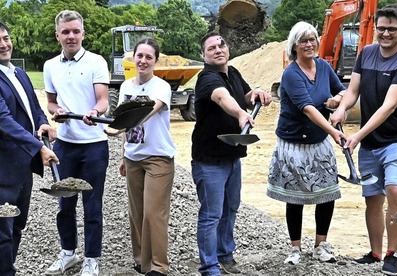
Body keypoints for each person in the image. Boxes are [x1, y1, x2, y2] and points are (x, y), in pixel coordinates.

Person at [330, 4, 397, 276]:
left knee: (395, 190)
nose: (384, 33)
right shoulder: (366, 53)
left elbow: (388, 106)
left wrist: (357, 135)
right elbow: (352, 90)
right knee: (372, 197)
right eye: (380, 28)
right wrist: (341, 108)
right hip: (372, 143)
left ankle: (392, 255)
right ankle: (374, 253)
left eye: (391, 29)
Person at [0, 20, 59, 275]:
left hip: (21, 164)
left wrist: (42, 125)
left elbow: (34, 108)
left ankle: (7, 268)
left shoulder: (19, 73)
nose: (3, 44)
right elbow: (3, 121)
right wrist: (38, 148)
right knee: (1, 231)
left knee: (17, 225)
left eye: (6, 38)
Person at [191, 32, 272, 276]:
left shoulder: (233, 72)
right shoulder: (206, 78)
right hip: (209, 160)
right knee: (211, 214)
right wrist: (239, 114)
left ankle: (225, 256)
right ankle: (209, 266)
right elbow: (222, 97)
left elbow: (244, 96)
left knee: (231, 208)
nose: (218, 49)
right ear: (203, 55)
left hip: (232, 155)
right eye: (211, 48)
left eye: (221, 45)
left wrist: (255, 93)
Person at [266, 21, 347, 266]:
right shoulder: (290, 74)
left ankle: (320, 245)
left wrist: (337, 103)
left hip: (318, 140)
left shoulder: (323, 67)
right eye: (304, 41)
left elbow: (342, 91)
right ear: (295, 46)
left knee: (326, 194)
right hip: (294, 143)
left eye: (312, 39)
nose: (309, 44)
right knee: (296, 195)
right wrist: (333, 131)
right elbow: (308, 108)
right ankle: (295, 248)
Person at [43, 10, 110, 276]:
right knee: (65, 205)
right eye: (66, 32)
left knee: (92, 205)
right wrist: (55, 110)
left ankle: (92, 259)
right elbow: (50, 102)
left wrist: (95, 112)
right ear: (58, 34)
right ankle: (68, 253)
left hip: (94, 144)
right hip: (65, 145)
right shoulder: (50, 66)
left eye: (76, 31)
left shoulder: (96, 61)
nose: (71, 36)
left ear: (83, 33)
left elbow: (103, 99)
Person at [110, 38, 175, 276]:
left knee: (153, 212)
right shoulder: (126, 87)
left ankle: (158, 266)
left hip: (158, 157)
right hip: (133, 157)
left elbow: (149, 111)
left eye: (149, 57)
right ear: (133, 58)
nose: (143, 61)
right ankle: (140, 260)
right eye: (140, 56)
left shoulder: (161, 87)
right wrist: (123, 156)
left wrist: (117, 127)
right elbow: (129, 129)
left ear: (156, 61)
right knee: (136, 212)